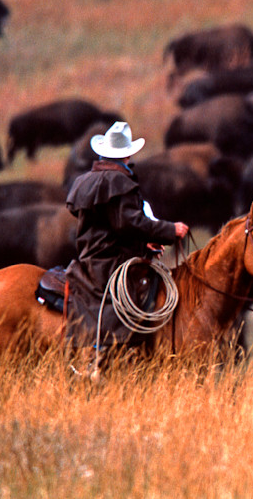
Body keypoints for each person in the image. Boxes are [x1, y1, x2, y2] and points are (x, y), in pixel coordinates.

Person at [63, 121, 189, 346]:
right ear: (127, 156)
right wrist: (170, 230)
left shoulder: (85, 181)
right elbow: (131, 223)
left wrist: (143, 245)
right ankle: (113, 349)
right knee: (138, 300)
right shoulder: (120, 181)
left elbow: (111, 226)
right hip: (112, 263)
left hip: (90, 257)